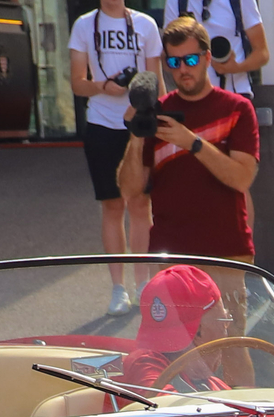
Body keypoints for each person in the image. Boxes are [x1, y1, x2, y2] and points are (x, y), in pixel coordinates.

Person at [117, 16, 260, 262]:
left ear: (207, 58)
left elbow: (242, 179)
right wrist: (137, 135)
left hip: (227, 252)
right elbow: (130, 190)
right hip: (169, 254)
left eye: (190, 60)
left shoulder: (237, 108)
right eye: (174, 62)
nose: (183, 69)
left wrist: (193, 143)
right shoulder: (156, 112)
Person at [69, 0, 162, 314]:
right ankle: (118, 288)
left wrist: (146, 108)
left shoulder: (146, 25)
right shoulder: (84, 24)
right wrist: (103, 86)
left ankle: (144, 284)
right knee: (112, 205)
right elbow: (77, 83)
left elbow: (156, 81)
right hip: (101, 123)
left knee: (140, 204)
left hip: (138, 123)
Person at [122, 263, 232, 388]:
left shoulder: (212, 384)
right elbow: (160, 403)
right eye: (224, 321)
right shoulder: (145, 367)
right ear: (199, 332)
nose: (226, 334)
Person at [163, 0, 268, 96]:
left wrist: (236, 68)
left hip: (234, 94)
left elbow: (262, 53)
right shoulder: (176, 2)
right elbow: (167, 53)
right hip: (191, 96)